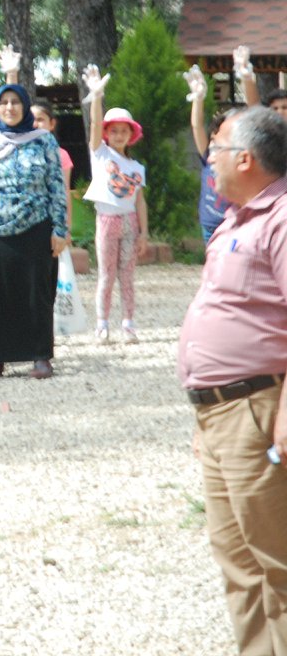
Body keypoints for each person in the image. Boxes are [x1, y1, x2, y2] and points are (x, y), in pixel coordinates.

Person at [177, 105, 287, 656]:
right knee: (239, 565)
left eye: (215, 148)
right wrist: (206, 414)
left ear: (245, 158)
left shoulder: (283, 218)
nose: (209, 160)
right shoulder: (236, 221)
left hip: (259, 412)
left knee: (279, 564)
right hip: (221, 415)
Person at [0, 83, 68, 380]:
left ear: (24, 107)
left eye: (15, 102)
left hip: (35, 227)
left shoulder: (43, 141)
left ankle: (40, 357)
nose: (9, 107)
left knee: (36, 294)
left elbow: (56, 186)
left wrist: (60, 228)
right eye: (3, 102)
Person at [81, 66, 150, 345]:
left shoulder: (136, 167)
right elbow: (95, 126)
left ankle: (129, 323)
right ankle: (102, 323)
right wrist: (97, 96)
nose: (119, 135)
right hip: (107, 221)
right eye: (114, 130)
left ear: (130, 135)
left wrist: (145, 232)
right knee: (106, 275)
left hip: (130, 221)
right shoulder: (100, 154)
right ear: (108, 133)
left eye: (124, 131)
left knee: (128, 276)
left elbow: (140, 200)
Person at [189, 51, 260, 247]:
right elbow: (196, 126)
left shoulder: (241, 156)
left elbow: (256, 116)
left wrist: (247, 79)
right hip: (210, 226)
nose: (215, 145)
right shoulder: (209, 156)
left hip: (236, 222)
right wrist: (198, 98)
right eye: (214, 139)